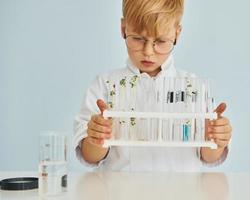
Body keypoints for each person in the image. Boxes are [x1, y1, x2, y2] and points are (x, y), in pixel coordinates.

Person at [74, 0, 232, 171]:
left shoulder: (193, 88)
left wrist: (216, 138)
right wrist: (96, 137)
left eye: (161, 41)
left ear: (177, 34)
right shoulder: (104, 85)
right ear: (123, 29)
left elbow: (209, 157)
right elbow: (89, 156)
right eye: (138, 39)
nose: (148, 52)